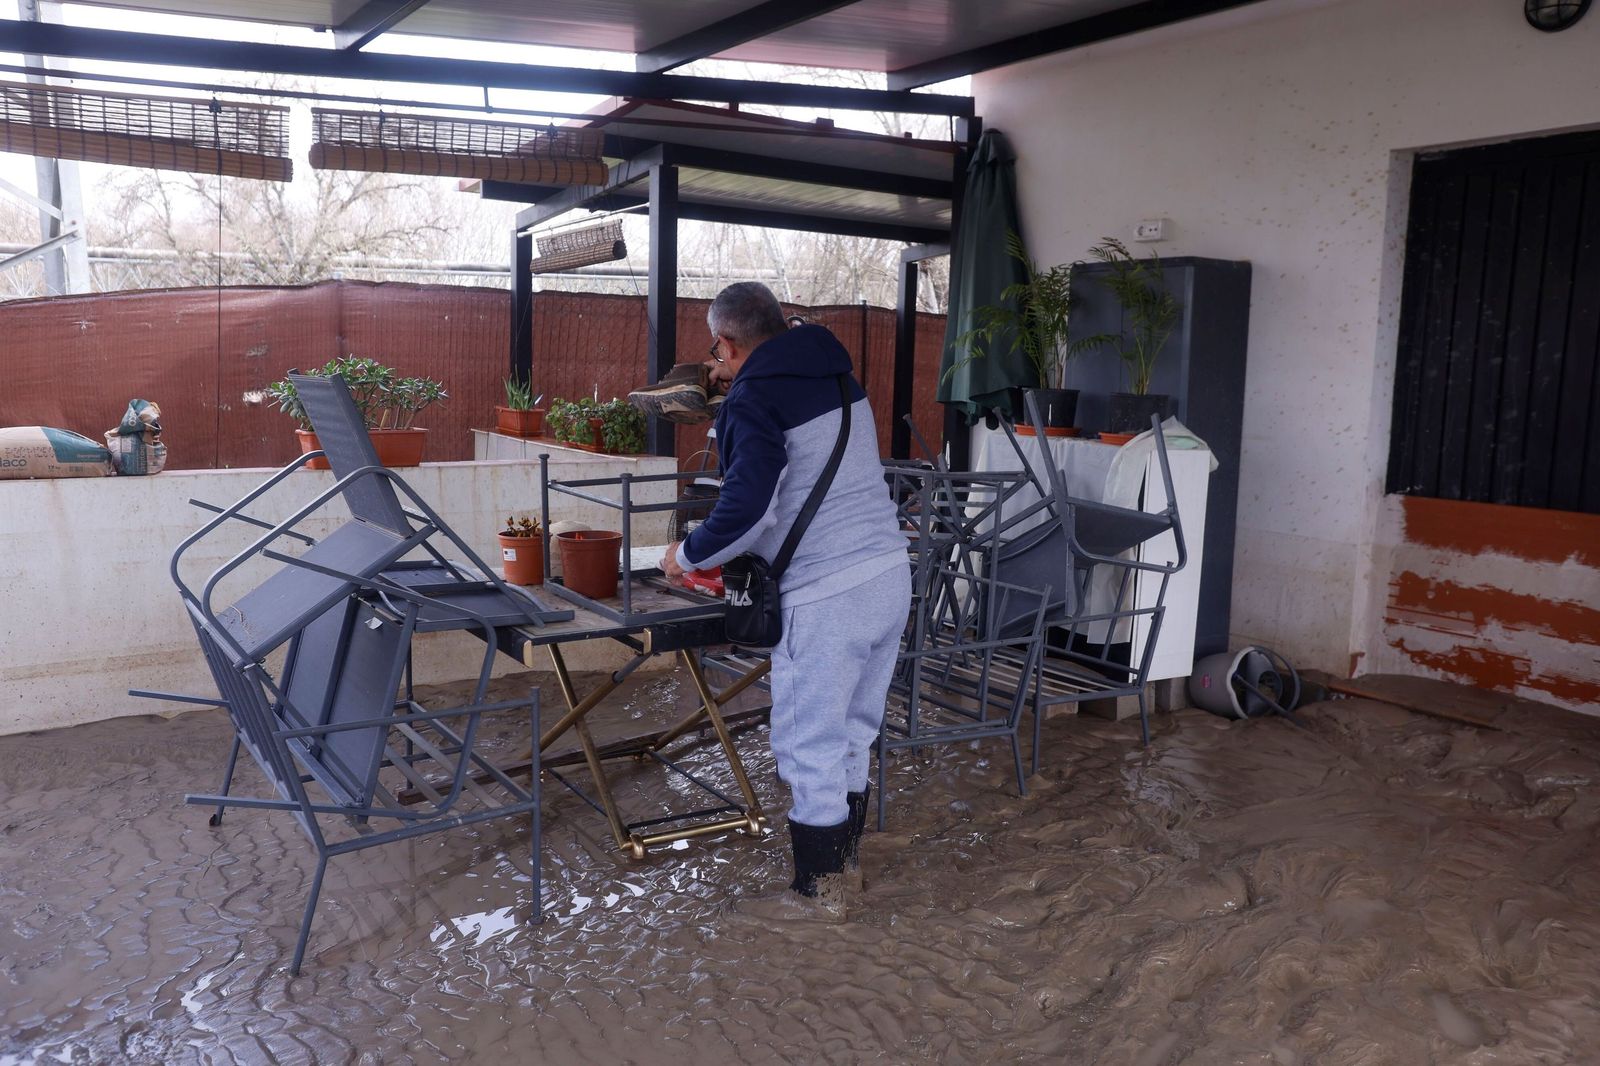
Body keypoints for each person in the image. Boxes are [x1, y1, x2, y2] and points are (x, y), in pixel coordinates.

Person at [660, 282, 911, 922]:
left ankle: (817, 900)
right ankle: (847, 870)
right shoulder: (837, 375)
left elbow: (748, 510)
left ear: (726, 343)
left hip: (829, 597)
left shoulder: (753, 397)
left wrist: (686, 555)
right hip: (889, 576)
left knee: (810, 743)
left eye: (717, 355)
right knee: (854, 731)